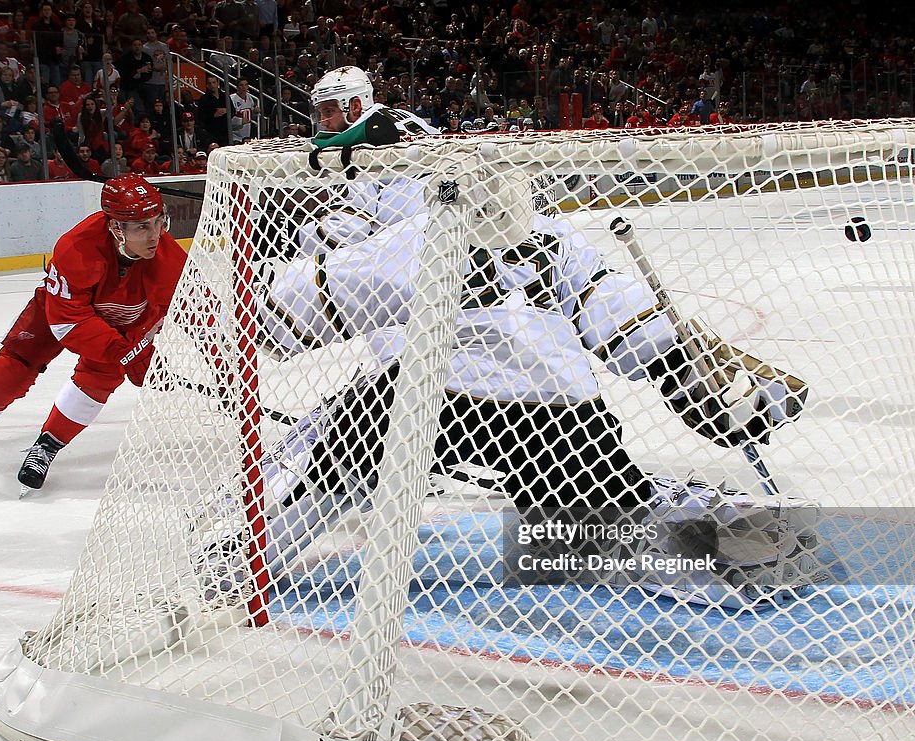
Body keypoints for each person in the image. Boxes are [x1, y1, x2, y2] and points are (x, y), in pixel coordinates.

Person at [196, 72, 815, 611]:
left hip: (427, 399)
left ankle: (243, 551)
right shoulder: (543, 231)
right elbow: (624, 317)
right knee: (598, 510)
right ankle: (715, 536)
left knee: (326, 456)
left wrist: (220, 322)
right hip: (561, 411)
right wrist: (693, 374)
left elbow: (303, 304)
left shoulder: (408, 239)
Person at [0, 175, 187, 493]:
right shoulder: (76, 248)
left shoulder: (171, 261)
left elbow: (201, 314)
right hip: (57, 311)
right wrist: (121, 351)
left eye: (159, 222)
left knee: (101, 379)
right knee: (12, 369)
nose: (155, 235)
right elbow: (68, 322)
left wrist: (226, 371)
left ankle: (45, 448)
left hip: (127, 320)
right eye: (142, 227)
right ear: (116, 228)